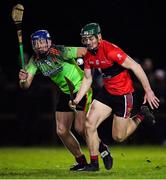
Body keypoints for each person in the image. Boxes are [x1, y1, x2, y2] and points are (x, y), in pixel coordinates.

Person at [69, 23, 160, 171]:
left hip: (123, 95)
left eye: (90, 38)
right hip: (107, 93)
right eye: (84, 39)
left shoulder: (111, 50)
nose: (87, 42)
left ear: (99, 37)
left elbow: (135, 66)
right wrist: (78, 99)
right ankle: (94, 164)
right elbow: (87, 79)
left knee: (118, 137)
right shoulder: (88, 55)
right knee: (89, 123)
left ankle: (141, 116)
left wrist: (148, 90)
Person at [18, 29, 112, 171]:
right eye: (36, 43)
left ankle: (102, 149)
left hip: (81, 88)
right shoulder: (35, 61)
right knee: (62, 130)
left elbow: (85, 51)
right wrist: (23, 80)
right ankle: (81, 161)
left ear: (49, 42)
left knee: (81, 128)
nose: (39, 46)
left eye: (42, 42)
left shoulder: (61, 51)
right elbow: (25, 85)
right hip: (65, 92)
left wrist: (93, 67)